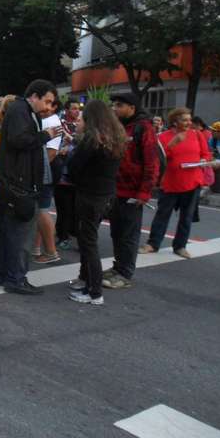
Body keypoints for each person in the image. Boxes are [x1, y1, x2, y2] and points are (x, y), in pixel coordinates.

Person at [0, 80, 60, 295]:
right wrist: (45, 136)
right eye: (47, 101)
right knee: (20, 236)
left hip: (16, 183)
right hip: (19, 185)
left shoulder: (22, 111)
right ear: (35, 96)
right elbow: (19, 140)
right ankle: (15, 279)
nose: (48, 107)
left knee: (11, 234)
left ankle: (5, 275)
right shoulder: (21, 111)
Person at [66, 100, 126, 305]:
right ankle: (88, 282)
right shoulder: (115, 137)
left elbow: (74, 167)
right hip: (106, 195)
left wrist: (74, 146)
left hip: (90, 196)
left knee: (88, 243)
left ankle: (94, 291)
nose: (78, 121)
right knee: (89, 240)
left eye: (81, 118)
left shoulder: (91, 139)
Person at [98, 93, 160, 290]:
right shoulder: (121, 127)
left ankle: (125, 273)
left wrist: (144, 192)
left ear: (132, 108)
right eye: (114, 105)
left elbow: (152, 163)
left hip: (133, 193)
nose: (115, 109)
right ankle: (118, 267)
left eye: (119, 105)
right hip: (116, 190)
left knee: (128, 235)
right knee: (117, 232)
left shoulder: (144, 128)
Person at [140, 107, 211, 259]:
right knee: (162, 214)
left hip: (193, 182)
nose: (188, 123)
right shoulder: (164, 137)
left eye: (189, 119)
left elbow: (206, 153)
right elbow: (158, 157)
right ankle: (153, 243)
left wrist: (204, 160)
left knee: (186, 217)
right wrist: (172, 144)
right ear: (175, 121)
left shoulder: (197, 135)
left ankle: (180, 246)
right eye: (184, 120)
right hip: (171, 183)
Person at [32, 99, 62, 264]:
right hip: (44, 171)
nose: (44, 106)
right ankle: (36, 247)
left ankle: (50, 251)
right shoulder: (44, 119)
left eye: (48, 102)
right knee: (39, 209)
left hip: (45, 171)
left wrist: (37, 174)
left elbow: (51, 152)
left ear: (54, 106)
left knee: (42, 210)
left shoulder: (51, 121)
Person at [54, 98, 81, 250]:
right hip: (62, 174)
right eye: (74, 108)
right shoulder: (60, 124)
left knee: (75, 209)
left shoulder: (81, 125)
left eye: (78, 108)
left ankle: (71, 233)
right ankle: (62, 235)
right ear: (67, 110)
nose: (77, 111)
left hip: (76, 175)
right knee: (63, 208)